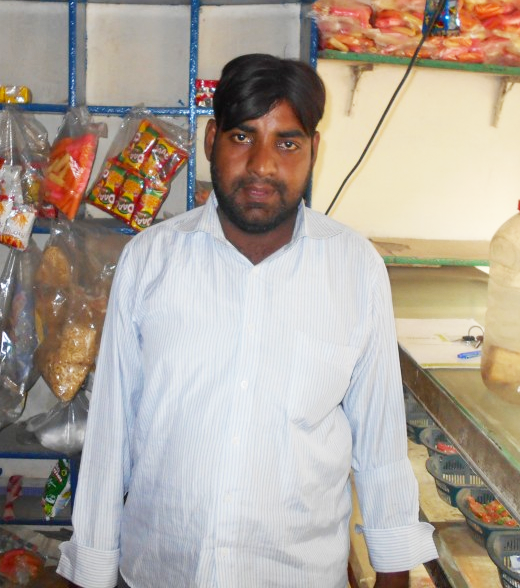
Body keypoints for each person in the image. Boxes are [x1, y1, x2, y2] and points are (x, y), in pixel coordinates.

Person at [57, 53, 437, 588]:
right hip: (163, 569)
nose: (262, 165)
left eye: (287, 143)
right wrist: (92, 571)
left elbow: (380, 441)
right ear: (211, 139)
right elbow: (110, 433)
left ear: (314, 151)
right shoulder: (151, 260)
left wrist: (393, 574)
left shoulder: (355, 268)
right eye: (242, 137)